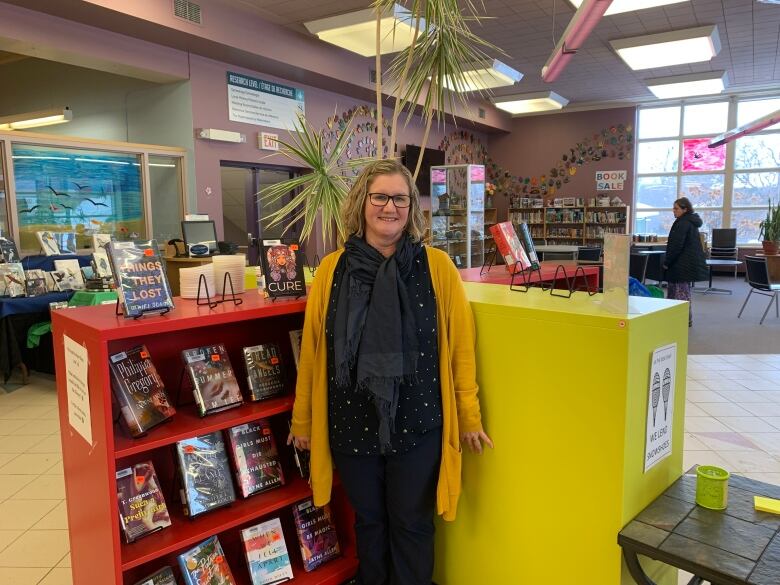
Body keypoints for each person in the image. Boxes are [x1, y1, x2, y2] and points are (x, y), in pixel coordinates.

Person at [289, 159, 492, 585]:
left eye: (400, 198)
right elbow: (312, 353)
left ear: (411, 208)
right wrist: (303, 420)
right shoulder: (331, 270)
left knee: (413, 524)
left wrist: (469, 415)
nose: (390, 207)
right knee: (370, 523)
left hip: (418, 424)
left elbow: (461, 350)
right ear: (362, 202)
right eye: (380, 196)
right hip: (350, 422)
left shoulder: (436, 268)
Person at [663, 197, 708, 326]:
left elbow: (676, 245)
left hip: (680, 264)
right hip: (686, 263)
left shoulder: (683, 223)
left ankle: (682, 320)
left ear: (685, 209)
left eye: (676, 208)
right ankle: (679, 319)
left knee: (679, 293)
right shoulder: (689, 221)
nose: (674, 211)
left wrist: (667, 262)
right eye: (673, 208)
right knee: (681, 292)